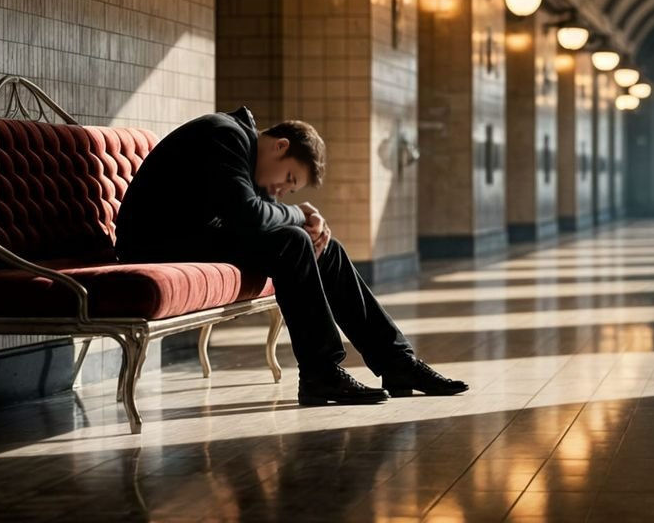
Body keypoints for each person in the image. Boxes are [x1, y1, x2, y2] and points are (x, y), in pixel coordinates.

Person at [114, 106, 467, 405]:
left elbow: (257, 214)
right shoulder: (224, 135)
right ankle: (321, 372)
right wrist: (299, 214)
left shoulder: (248, 157)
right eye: (288, 179)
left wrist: (314, 227)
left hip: (194, 237)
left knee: (323, 248)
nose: (280, 191)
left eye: (288, 188)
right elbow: (249, 214)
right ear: (280, 146)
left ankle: (397, 361)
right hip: (155, 244)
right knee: (294, 241)